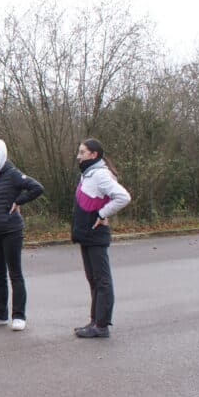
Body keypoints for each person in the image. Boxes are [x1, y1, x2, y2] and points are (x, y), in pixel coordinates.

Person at [0, 139, 44, 331]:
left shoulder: (13, 174)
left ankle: (19, 315)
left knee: (15, 273)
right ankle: (0, 314)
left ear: (1, 155)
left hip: (12, 230)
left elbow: (37, 188)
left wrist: (19, 201)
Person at [71, 138, 131, 339]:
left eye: (82, 152)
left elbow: (123, 197)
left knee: (102, 280)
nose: (78, 156)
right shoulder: (87, 174)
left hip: (96, 235)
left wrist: (102, 213)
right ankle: (95, 320)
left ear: (93, 155)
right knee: (93, 279)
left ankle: (102, 325)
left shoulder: (100, 175)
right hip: (86, 235)